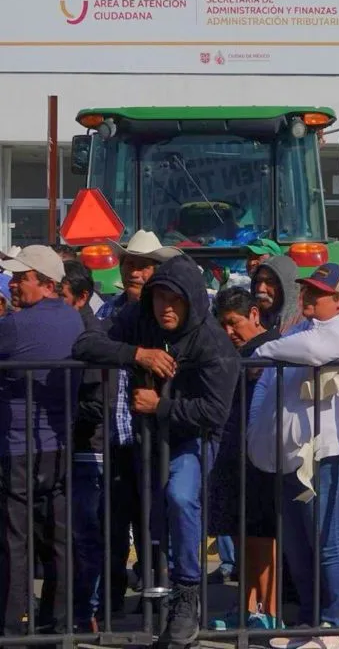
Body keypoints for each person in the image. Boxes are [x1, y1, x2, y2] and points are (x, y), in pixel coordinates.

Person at [73, 255, 240, 647]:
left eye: (175, 299)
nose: (166, 307)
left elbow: (215, 412)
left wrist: (160, 405)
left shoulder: (213, 341)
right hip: (146, 438)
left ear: (193, 300)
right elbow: (87, 341)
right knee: (151, 517)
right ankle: (152, 599)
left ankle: (186, 596)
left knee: (181, 497)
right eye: (159, 297)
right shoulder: (139, 318)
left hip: (192, 438)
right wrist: (137, 354)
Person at [247, 263, 339, 648]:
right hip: (293, 455)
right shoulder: (303, 328)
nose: (308, 297)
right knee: (298, 543)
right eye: (307, 290)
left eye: (318, 292)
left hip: (329, 454)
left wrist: (263, 347)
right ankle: (310, 622)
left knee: (327, 542)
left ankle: (333, 625)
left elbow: (315, 351)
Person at [92, 230, 182, 615]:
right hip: (114, 435)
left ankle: (157, 603)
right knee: (113, 524)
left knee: (155, 524)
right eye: (129, 264)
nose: (134, 273)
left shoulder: (171, 316)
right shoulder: (107, 311)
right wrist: (137, 354)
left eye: (143, 266)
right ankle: (111, 604)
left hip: (156, 436)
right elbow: (87, 344)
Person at [0, 246, 82, 638]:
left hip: (18, 445)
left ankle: (14, 624)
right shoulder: (73, 319)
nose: (14, 284)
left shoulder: (16, 325)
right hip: (59, 444)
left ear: (46, 283)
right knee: (57, 537)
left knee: (16, 539)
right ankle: (58, 622)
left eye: (22, 277)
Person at [209, 287, 283, 630]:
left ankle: (268, 610)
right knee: (241, 532)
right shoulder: (233, 350)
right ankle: (247, 604)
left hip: (260, 452)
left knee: (262, 534)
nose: (228, 331)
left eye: (233, 322)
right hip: (232, 448)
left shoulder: (272, 347)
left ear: (254, 314)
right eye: (222, 324)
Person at [62, 260, 115, 631]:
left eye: (59, 295)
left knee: (85, 535)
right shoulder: (68, 328)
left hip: (88, 449)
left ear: (81, 297)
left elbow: (99, 401)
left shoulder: (90, 337)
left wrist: (61, 407)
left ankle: (86, 611)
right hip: (72, 447)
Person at [251, 255, 303, 333]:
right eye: (258, 281)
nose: (260, 289)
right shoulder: (251, 318)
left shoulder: (303, 324)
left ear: (287, 287)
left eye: (270, 282)